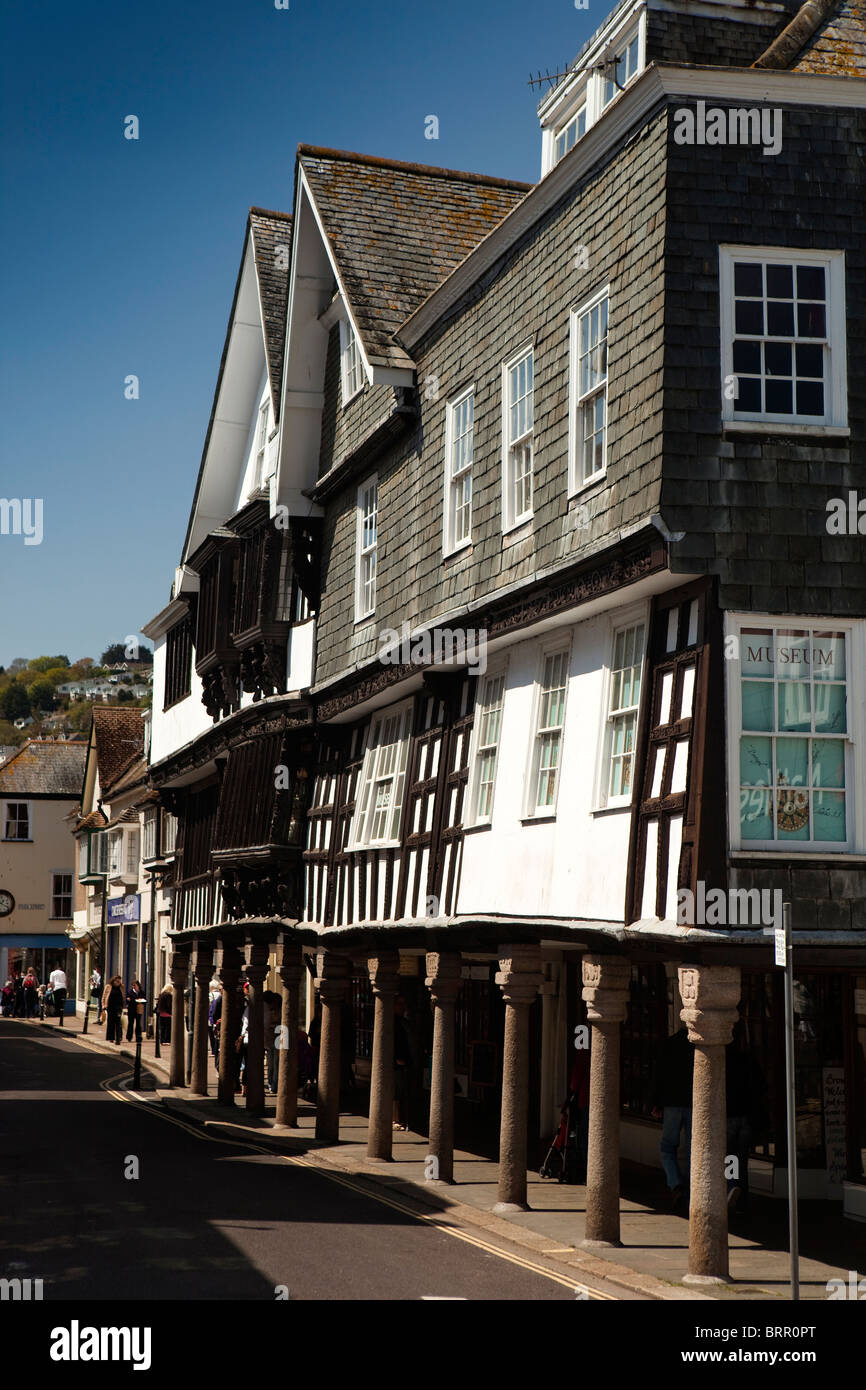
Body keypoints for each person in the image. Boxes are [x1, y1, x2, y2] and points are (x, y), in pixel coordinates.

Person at [725, 1018, 768, 1215]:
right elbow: (761, 1087)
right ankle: (742, 1194)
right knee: (741, 1157)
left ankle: (732, 1187)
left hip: (730, 1115)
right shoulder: (749, 1061)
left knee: (730, 1157)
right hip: (746, 1117)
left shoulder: (722, 1059)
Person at [651, 1024, 694, 1211]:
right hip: (693, 1103)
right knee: (696, 1149)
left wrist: (655, 1103)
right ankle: (694, 1188)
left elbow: (658, 1075)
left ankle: (676, 1184)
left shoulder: (668, 1045)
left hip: (671, 1103)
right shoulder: (697, 1045)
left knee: (668, 1147)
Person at [393, 994, 412, 1130]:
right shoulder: (392, 1022)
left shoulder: (403, 1022)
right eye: (399, 1004)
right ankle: (395, 1119)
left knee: (402, 1093)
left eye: (403, 1003)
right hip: (396, 1064)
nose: (402, 1006)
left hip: (405, 1062)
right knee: (396, 1093)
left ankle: (402, 1119)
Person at [263, 989, 282, 1095]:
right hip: (271, 1038)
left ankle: (274, 1084)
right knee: (271, 1063)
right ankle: (271, 1083)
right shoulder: (268, 1011)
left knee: (276, 1062)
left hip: (279, 1038)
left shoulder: (279, 1012)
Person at [103, 976, 124, 1044]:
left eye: (119, 981)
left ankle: (118, 1037)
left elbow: (123, 996)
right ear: (113, 981)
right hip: (110, 1007)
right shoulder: (108, 986)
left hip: (118, 1007)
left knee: (118, 1022)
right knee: (110, 1022)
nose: (118, 982)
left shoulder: (121, 987)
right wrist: (103, 1006)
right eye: (117, 981)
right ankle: (110, 1037)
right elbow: (104, 996)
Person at [208, 980, 222, 1061]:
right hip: (218, 1019)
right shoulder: (219, 995)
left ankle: (214, 1051)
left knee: (213, 1036)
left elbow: (212, 1010)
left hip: (214, 1020)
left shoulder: (211, 995)